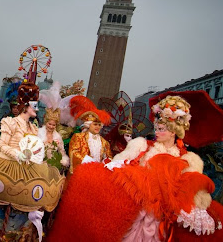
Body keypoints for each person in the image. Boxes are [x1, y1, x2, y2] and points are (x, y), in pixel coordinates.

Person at [47, 91, 223, 241]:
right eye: (157, 126)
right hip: (138, 214)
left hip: (166, 219)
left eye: (163, 128)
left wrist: (197, 208)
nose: (158, 131)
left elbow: (195, 190)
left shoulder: (189, 158)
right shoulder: (141, 145)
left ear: (175, 130)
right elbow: (116, 167)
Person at [0, 80, 65, 240]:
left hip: (26, 168)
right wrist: (18, 154)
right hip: (5, 164)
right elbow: (2, 145)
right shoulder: (9, 122)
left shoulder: (33, 128)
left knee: (22, 199)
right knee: (1, 194)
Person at [68, 95, 113, 174]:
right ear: (88, 125)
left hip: (97, 174)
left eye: (99, 125)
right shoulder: (79, 137)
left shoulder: (104, 142)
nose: (97, 127)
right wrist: (89, 162)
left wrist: (106, 162)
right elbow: (74, 153)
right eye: (95, 124)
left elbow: (109, 157)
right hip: (81, 173)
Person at [38, 82, 69, 172]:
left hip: (51, 168)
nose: (51, 126)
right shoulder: (38, 132)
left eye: (53, 125)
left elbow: (62, 152)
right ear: (46, 122)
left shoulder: (58, 136)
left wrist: (64, 160)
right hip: (38, 165)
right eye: (49, 124)